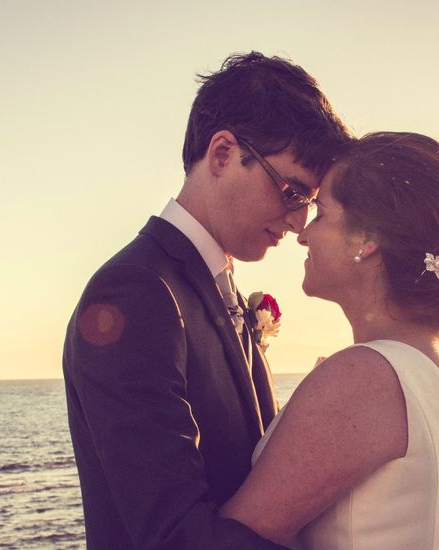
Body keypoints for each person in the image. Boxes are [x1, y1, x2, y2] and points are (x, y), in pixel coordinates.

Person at [62, 52, 352, 550]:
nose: (298, 222)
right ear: (221, 154)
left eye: (307, 203)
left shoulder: (216, 286)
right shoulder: (135, 292)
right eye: (290, 192)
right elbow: (174, 536)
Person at [220, 132, 439, 550]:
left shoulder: (365, 375)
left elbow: (234, 539)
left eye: (322, 213)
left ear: (365, 240)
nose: (303, 234)